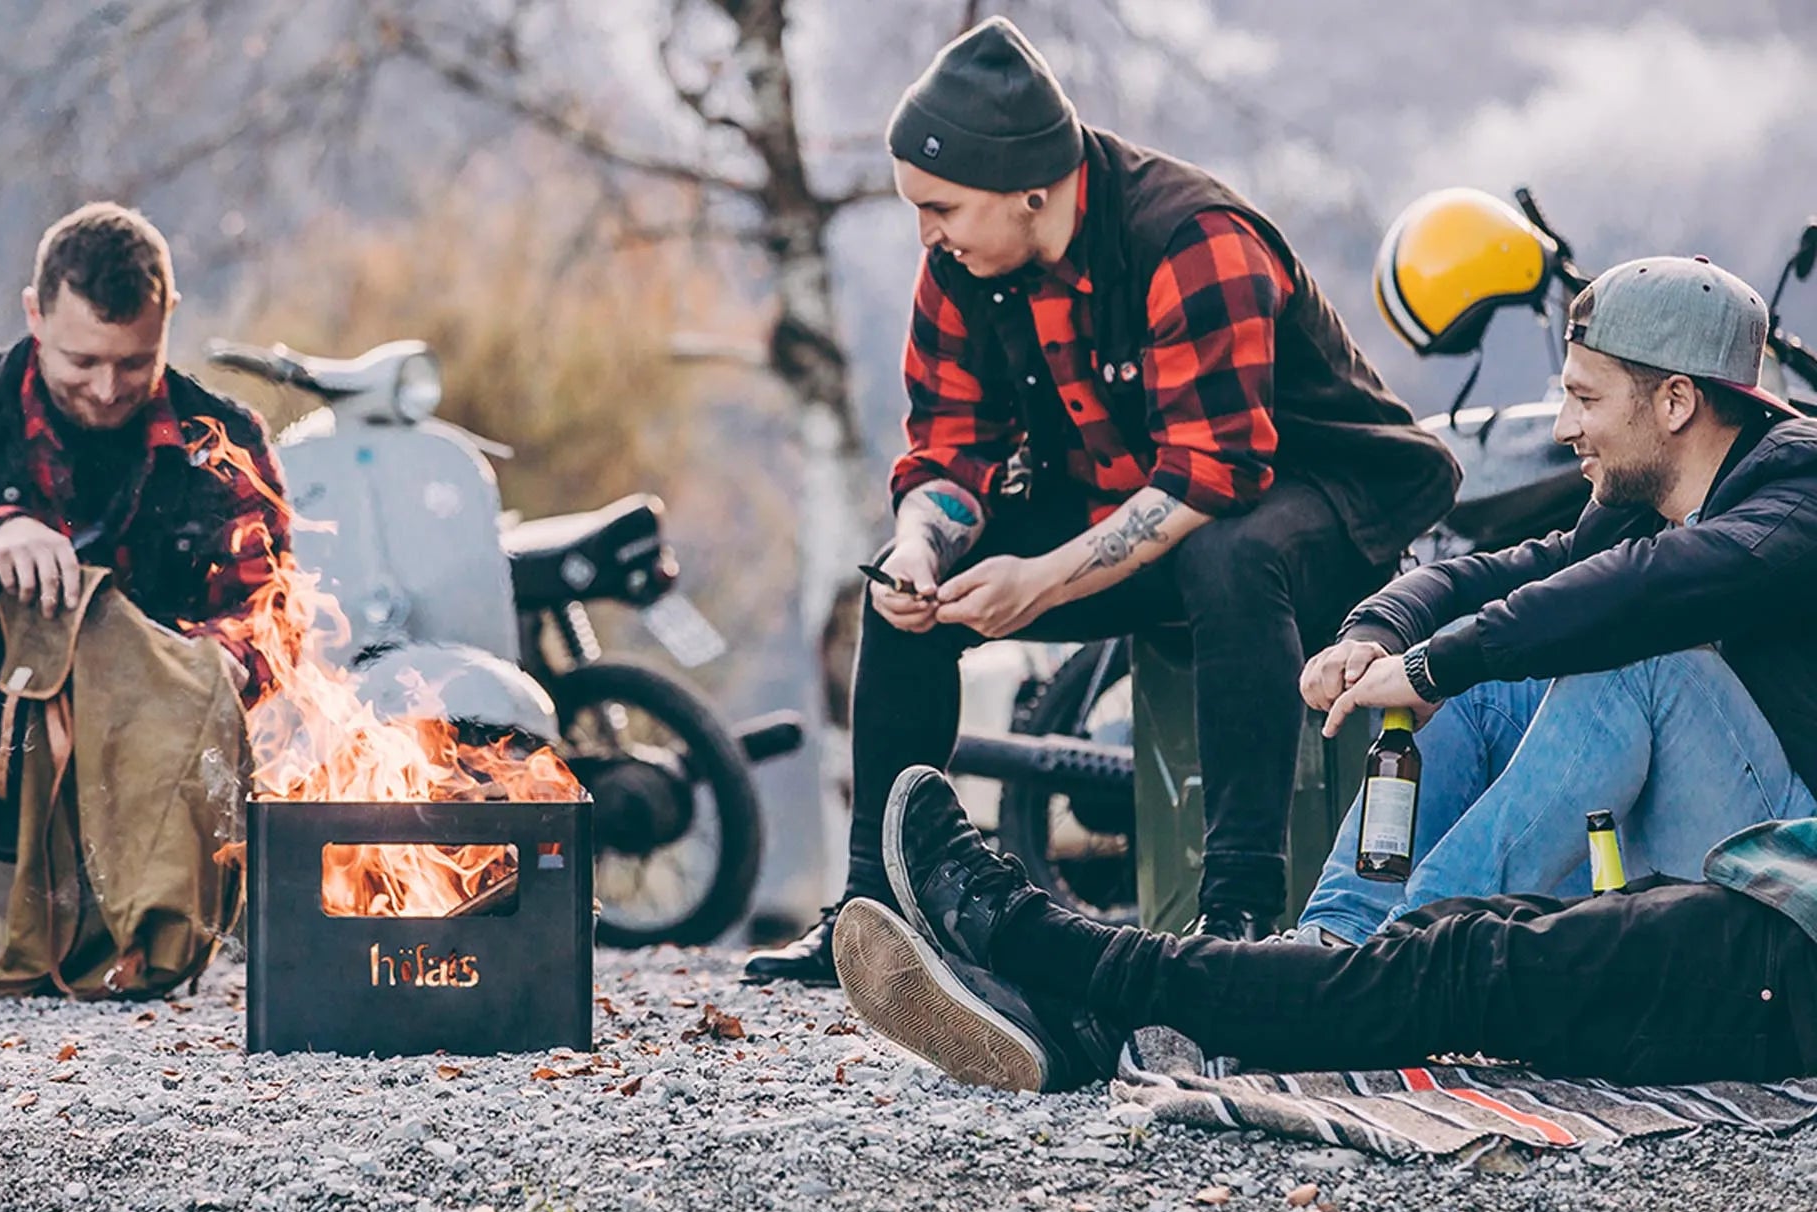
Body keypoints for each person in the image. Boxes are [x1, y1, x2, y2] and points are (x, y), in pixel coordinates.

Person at [745, 17, 1457, 985]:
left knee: (1229, 552)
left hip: (1322, 499)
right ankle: (874, 912)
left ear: (1028, 189)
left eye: (941, 207)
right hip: (1133, 491)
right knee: (899, 596)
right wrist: (918, 544)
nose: (927, 234)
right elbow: (950, 450)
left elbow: (1212, 470)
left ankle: (1237, 913)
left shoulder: (1191, 238)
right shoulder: (965, 266)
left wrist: (1039, 582)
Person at [1290, 254, 1817, 945]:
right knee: (1475, 689)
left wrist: (1433, 666)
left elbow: (1644, 589)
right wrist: (1378, 633)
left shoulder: (1796, 489)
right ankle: (1331, 943)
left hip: (1792, 871)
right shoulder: (1637, 505)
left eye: (1587, 399)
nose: (1564, 426)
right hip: (1701, 838)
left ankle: (1395, 962)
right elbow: (1493, 580)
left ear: (1676, 401)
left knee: (1640, 661)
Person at [0, 201, 288, 997]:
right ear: (34, 314)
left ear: (168, 318)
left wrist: (209, 664)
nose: (109, 388)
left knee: (222, 678)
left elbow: (270, 613)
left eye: (135, 361)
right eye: (82, 362)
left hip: (140, 775)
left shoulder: (226, 438)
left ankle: (191, 918)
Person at [833, 764, 1817, 1091]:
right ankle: (1082, 1024)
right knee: (1458, 920)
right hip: (1778, 911)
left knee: (1453, 963)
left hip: (1788, 969)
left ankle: (1036, 942)